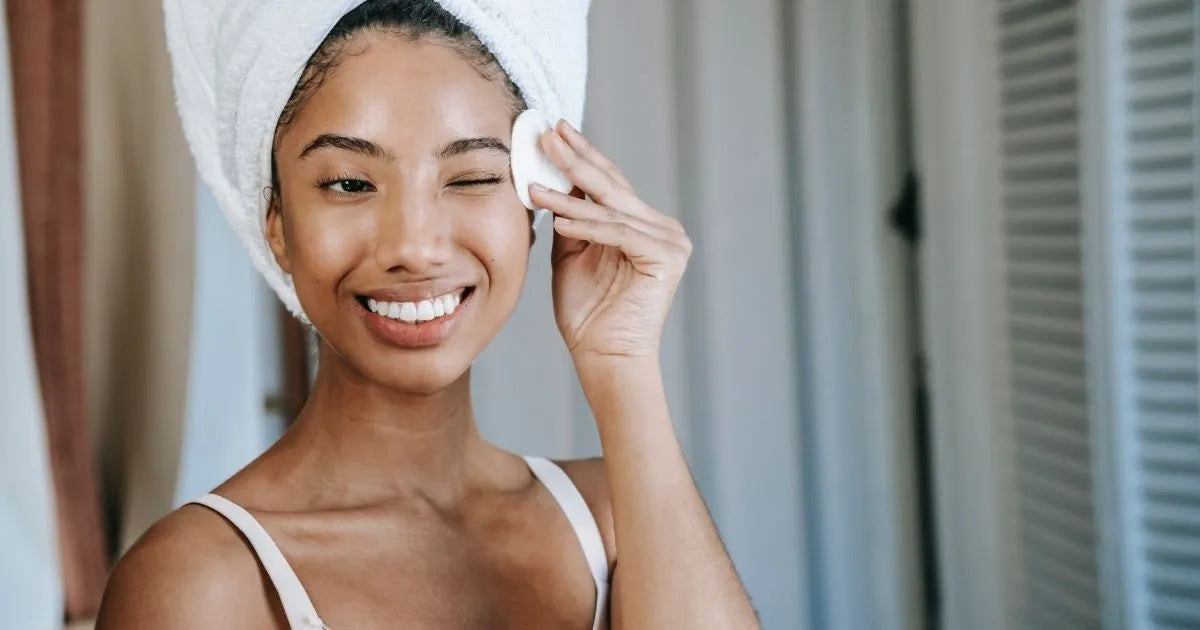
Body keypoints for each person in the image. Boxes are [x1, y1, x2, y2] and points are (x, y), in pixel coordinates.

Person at [97, 1, 758, 627]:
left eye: (470, 178)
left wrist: (624, 365)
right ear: (276, 222)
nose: (414, 248)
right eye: (350, 183)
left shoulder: (614, 523)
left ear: (539, 205)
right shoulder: (198, 582)